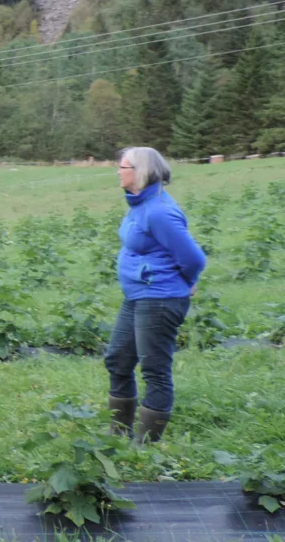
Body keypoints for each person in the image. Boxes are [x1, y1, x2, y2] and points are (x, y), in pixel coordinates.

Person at [106, 147, 206, 443]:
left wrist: (189, 282)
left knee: (154, 369)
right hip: (137, 296)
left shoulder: (160, 211)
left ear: (141, 172)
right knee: (117, 360)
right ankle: (118, 431)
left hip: (160, 299)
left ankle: (147, 445)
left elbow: (194, 258)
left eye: (123, 166)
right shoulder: (140, 204)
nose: (118, 171)